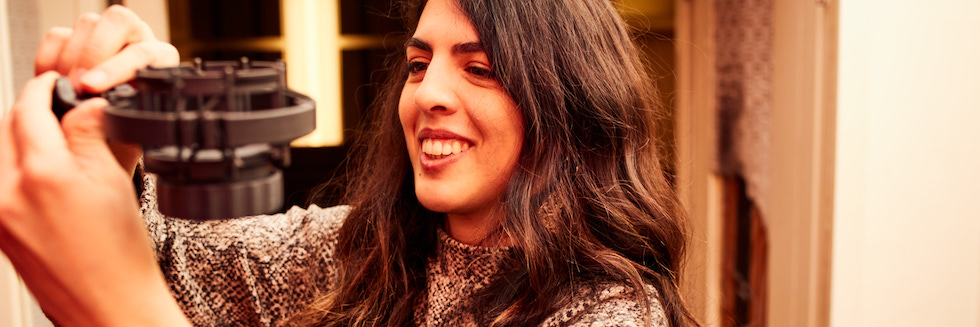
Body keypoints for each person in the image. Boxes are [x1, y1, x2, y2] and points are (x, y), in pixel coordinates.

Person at [0, 0, 696, 326]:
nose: (429, 95)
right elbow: (167, 264)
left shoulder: (606, 314)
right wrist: (109, 138)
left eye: (480, 69)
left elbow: (123, 288)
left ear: (566, 107)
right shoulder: (358, 250)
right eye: (418, 64)